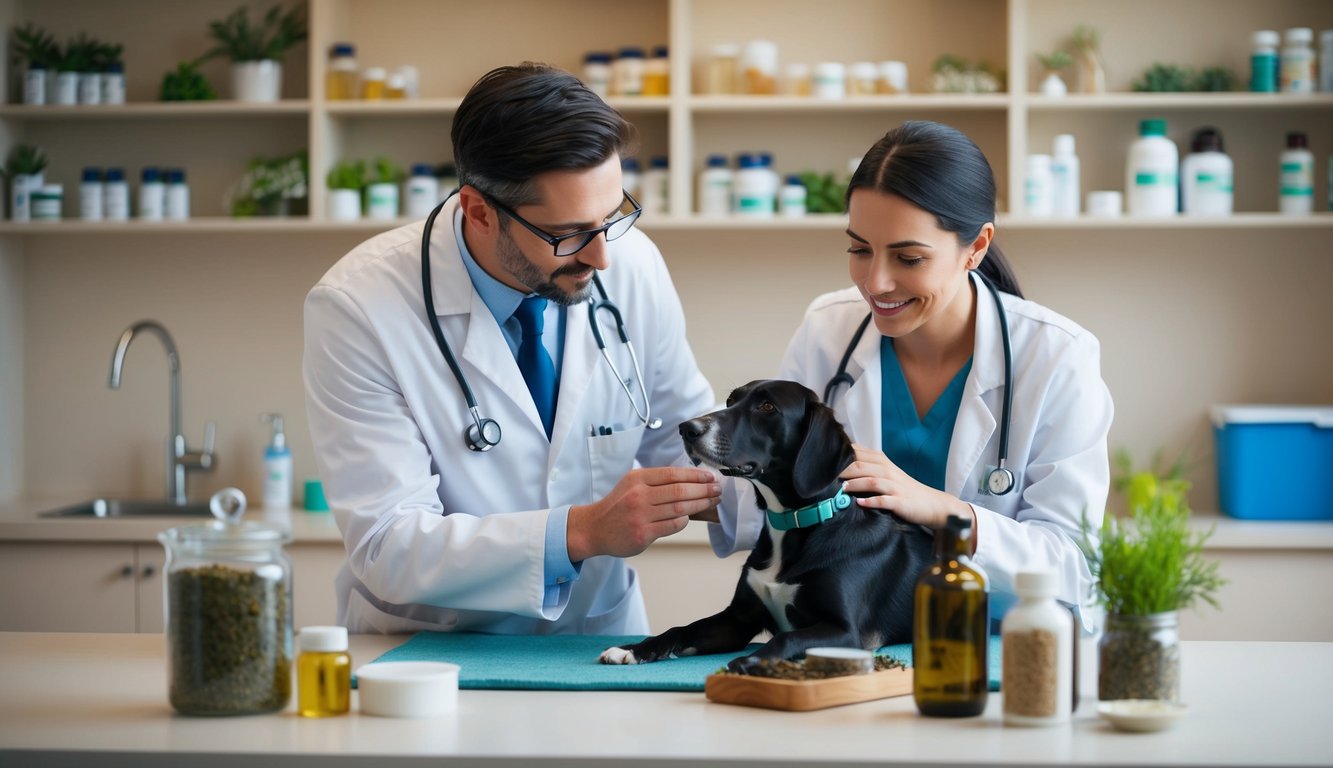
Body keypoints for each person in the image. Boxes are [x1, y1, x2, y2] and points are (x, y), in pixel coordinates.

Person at [303, 63, 730, 635]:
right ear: (480, 210)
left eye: (613, 216)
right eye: (570, 233)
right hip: (433, 651)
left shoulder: (632, 264)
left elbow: (685, 442)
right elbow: (388, 544)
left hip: (594, 640)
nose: (602, 256)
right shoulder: (358, 306)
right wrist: (581, 531)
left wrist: (803, 487)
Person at [710, 120, 1114, 632]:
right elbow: (784, 478)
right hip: (872, 648)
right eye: (859, 250)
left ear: (977, 246)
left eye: (909, 257)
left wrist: (944, 511)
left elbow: (1072, 563)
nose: (875, 282)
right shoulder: (828, 332)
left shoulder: (1057, 357)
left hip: (1005, 649)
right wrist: (684, 493)